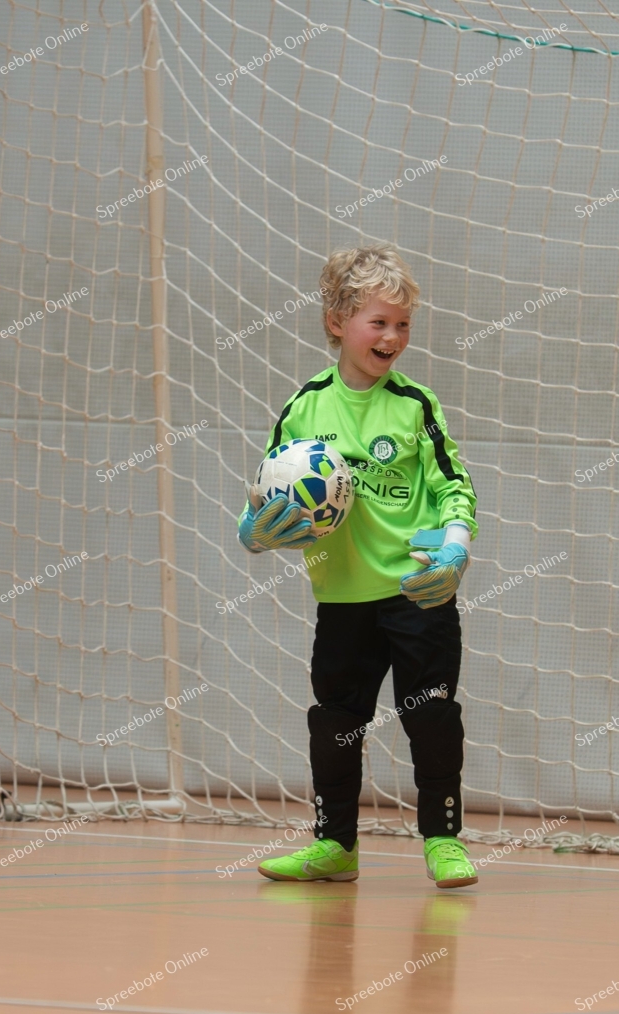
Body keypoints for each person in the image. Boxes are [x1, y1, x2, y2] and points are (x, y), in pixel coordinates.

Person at [238, 244, 479, 888]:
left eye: (403, 324)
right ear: (338, 321)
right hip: (342, 598)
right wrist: (252, 532)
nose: (392, 337)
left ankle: (444, 840)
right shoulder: (305, 407)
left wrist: (455, 546)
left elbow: (455, 487)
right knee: (336, 722)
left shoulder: (415, 405)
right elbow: (264, 492)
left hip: (418, 592)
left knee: (431, 716)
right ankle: (334, 845)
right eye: (379, 322)